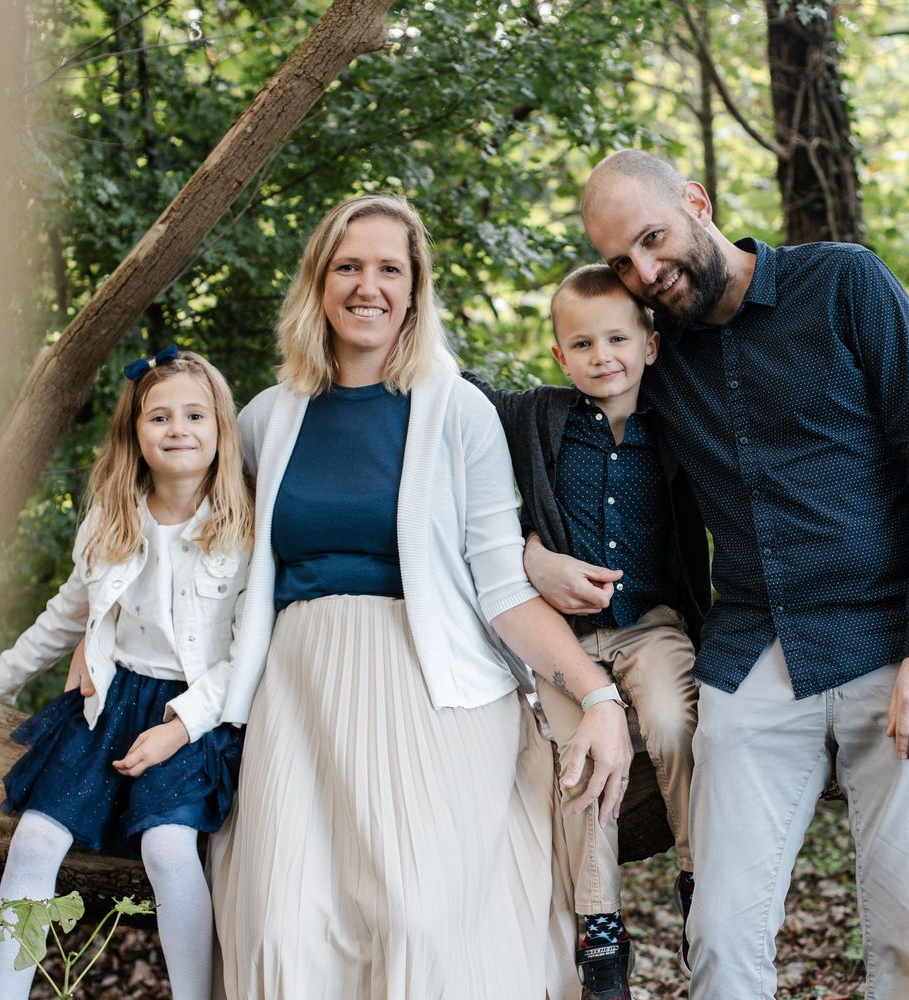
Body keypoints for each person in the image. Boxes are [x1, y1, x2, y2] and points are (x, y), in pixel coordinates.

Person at [524, 149, 909, 999]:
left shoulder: (843, 284)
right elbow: (560, 440)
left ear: (697, 203)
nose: (645, 272)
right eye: (622, 261)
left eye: (653, 239)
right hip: (755, 654)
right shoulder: (656, 355)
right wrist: (531, 553)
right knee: (721, 938)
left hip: (894, 640)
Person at [198, 194, 633, 999]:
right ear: (319, 282)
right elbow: (198, 560)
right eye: (348, 266)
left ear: (414, 289)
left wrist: (597, 695)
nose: (368, 286)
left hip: (432, 687)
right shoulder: (265, 419)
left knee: (416, 924)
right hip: (297, 694)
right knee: (280, 929)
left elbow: (502, 585)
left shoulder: (457, 411)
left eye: (389, 269)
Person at [0, 347, 252, 1000]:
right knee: (34, 842)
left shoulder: (244, 529)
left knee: (169, 850)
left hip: (194, 716)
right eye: (159, 416)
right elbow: (66, 616)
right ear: (135, 432)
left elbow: (247, 656)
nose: (177, 429)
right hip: (108, 705)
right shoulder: (112, 518)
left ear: (220, 428)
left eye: (194, 415)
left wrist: (179, 728)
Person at [464, 264, 710, 999]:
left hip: (652, 625)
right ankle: (601, 929)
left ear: (650, 345)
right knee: (580, 764)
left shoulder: (677, 427)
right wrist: (529, 551)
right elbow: (458, 392)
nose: (602, 355)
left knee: (674, 721)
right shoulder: (535, 418)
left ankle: (699, 878)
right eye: (582, 344)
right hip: (563, 642)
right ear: (559, 356)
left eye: (617, 339)